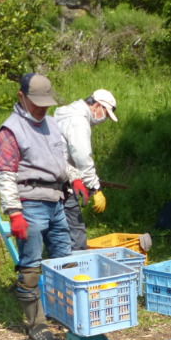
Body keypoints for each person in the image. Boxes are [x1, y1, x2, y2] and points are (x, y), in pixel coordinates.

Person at [0, 73, 79, 340]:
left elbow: (61, 160)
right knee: (31, 264)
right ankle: (36, 323)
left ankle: (62, 311)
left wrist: (74, 177)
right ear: (21, 97)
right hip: (30, 202)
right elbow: (5, 174)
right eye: (36, 103)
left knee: (63, 258)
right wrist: (14, 212)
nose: (42, 108)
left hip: (56, 199)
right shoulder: (11, 130)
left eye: (46, 103)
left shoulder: (52, 125)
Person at [54, 88, 118, 250]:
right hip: (61, 181)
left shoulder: (65, 114)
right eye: (105, 114)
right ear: (96, 106)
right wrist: (95, 187)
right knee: (75, 230)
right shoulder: (78, 121)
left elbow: (64, 153)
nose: (103, 119)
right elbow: (82, 156)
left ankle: (58, 261)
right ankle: (76, 265)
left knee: (57, 227)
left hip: (56, 176)